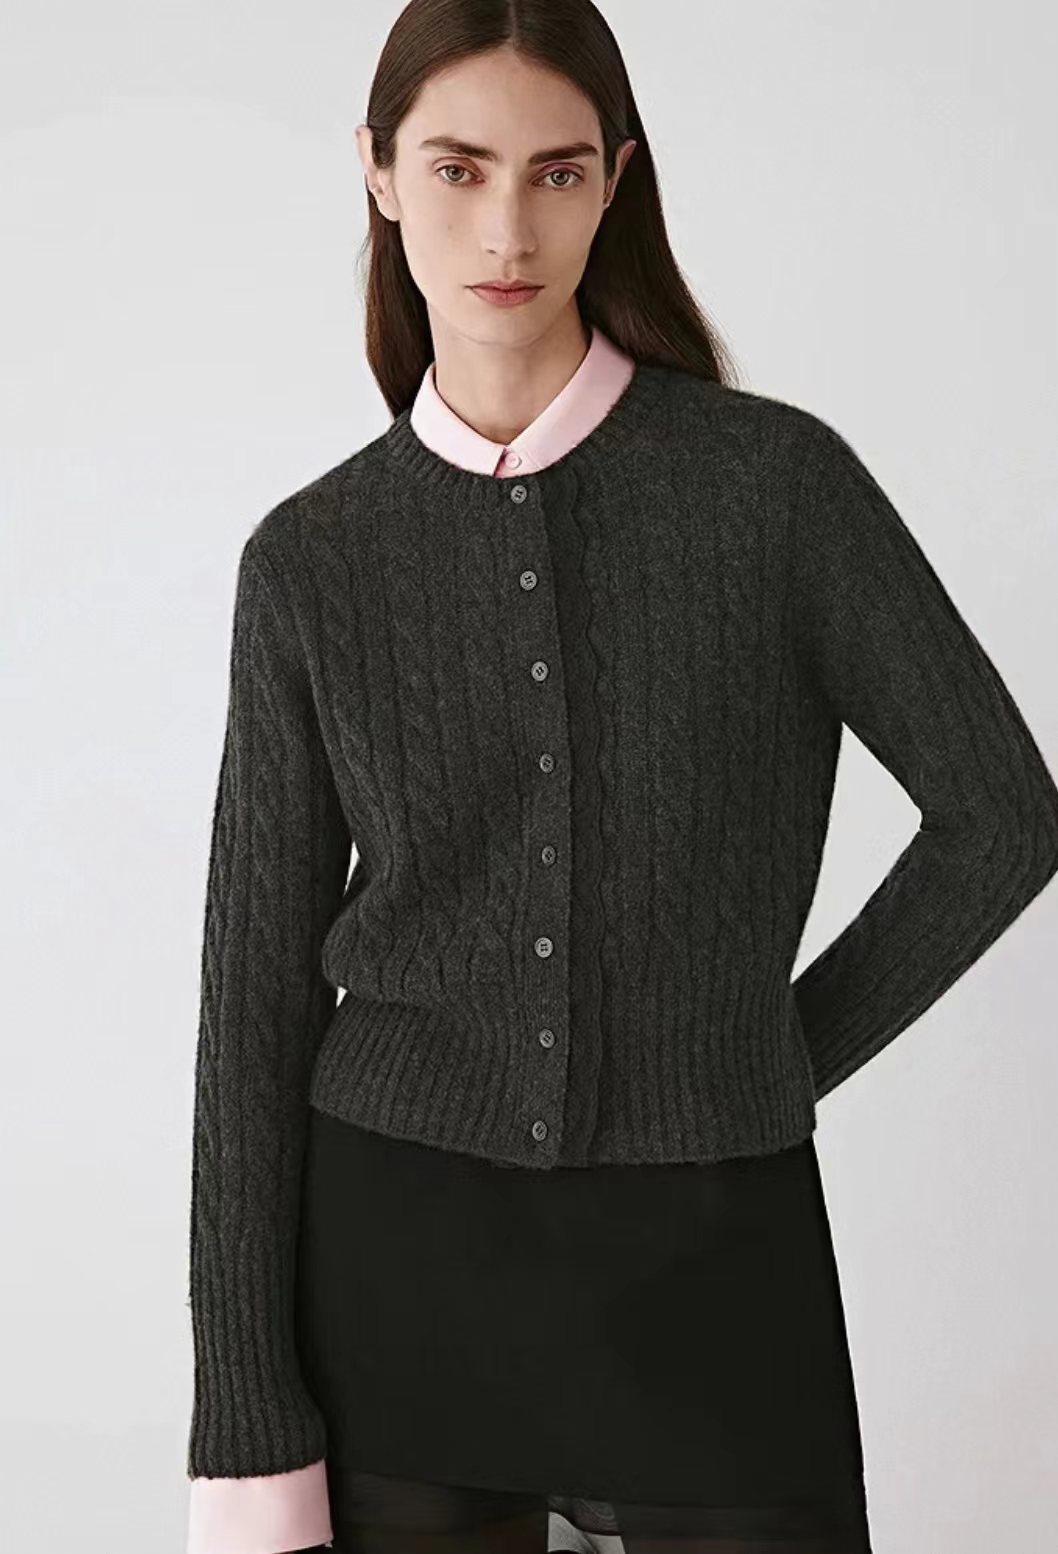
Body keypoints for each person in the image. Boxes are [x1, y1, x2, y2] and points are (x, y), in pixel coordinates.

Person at [183, 2, 1058, 1552]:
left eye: (557, 172)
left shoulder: (774, 492)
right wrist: (247, 1418)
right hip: (396, 1274)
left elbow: (1001, 815)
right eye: (457, 168)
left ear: (616, 181)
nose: (506, 228)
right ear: (378, 172)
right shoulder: (313, 559)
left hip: (711, 1266)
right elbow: (253, 1008)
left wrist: (762, 1053)